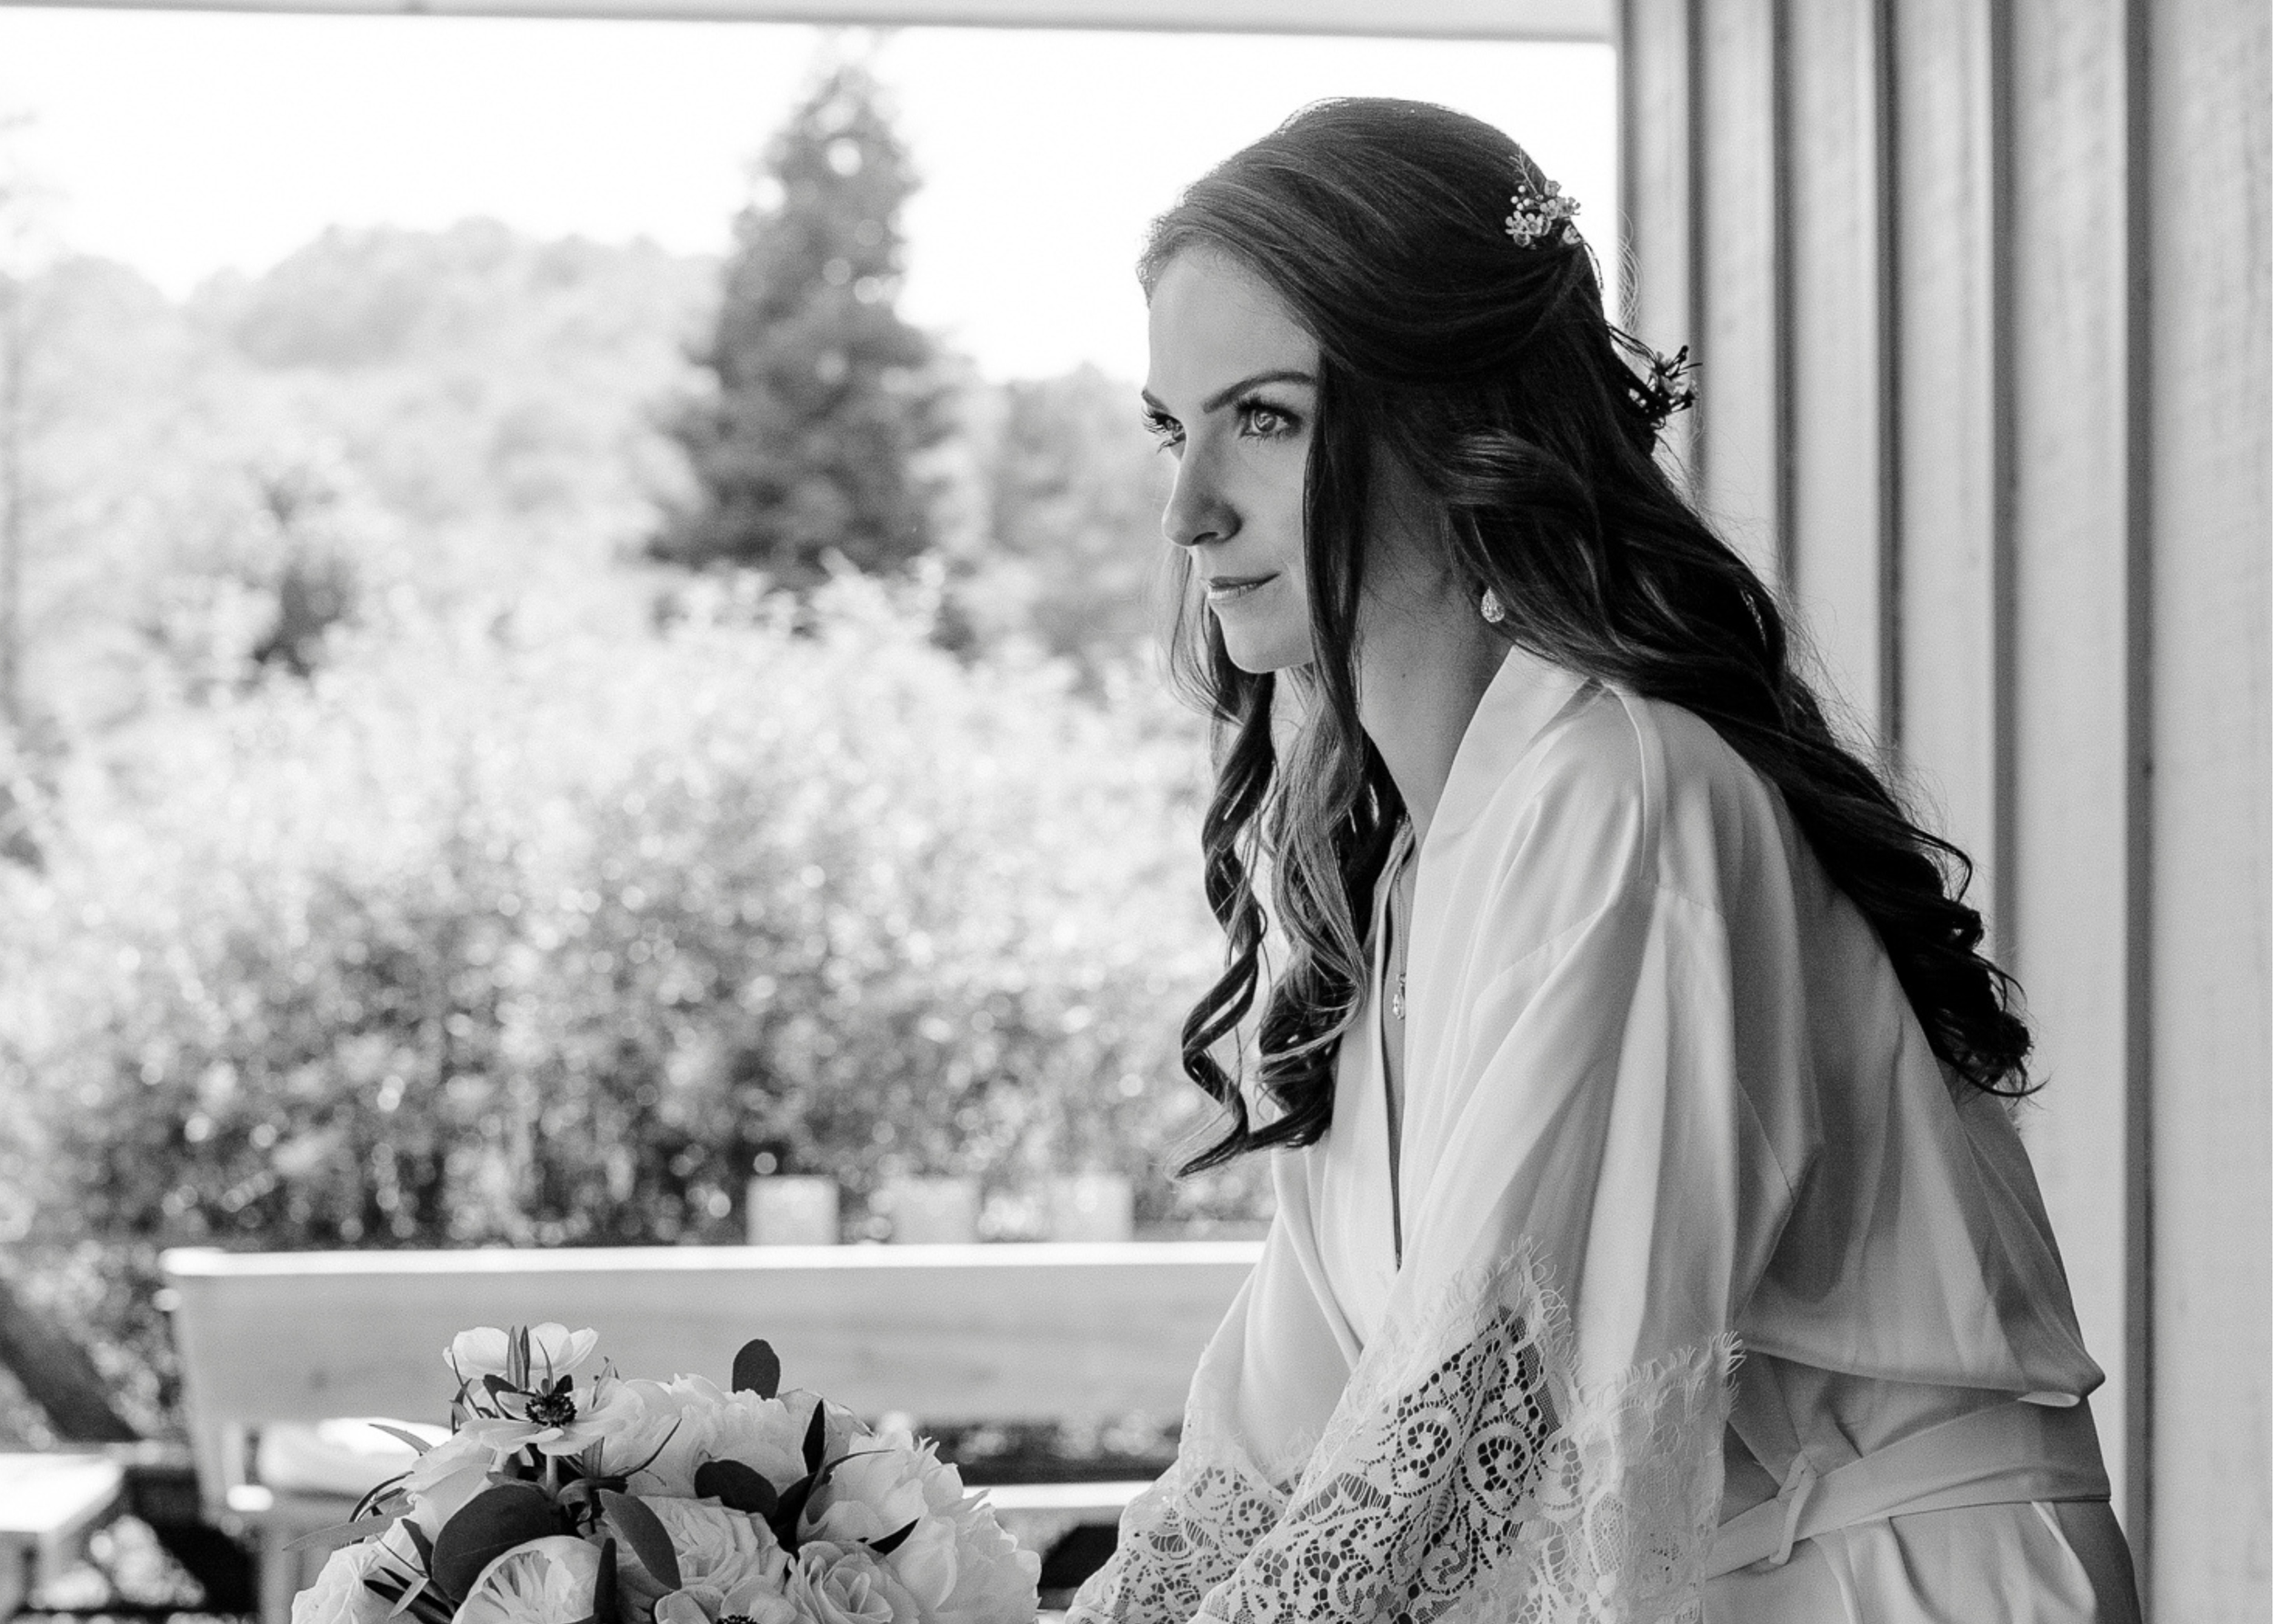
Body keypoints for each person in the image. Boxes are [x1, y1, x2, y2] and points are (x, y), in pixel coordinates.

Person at [1067, 99, 2143, 1624]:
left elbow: (1465, 1443)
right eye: (1175, 430)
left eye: (1266, 418)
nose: (1189, 511)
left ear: (1454, 422)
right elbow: (1269, 1444)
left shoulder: (1619, 792)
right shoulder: (1405, 888)